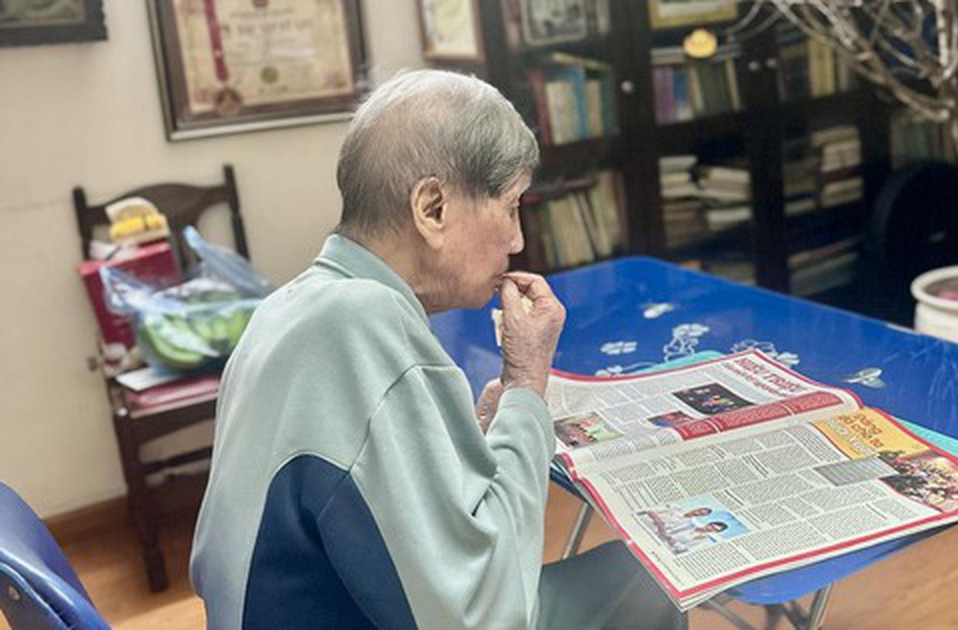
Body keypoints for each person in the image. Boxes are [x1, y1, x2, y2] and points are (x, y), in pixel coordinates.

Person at [190, 69, 685, 630]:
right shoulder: (362, 322)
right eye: (511, 206)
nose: (518, 240)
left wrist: (471, 438)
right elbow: (486, 613)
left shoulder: (288, 308)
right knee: (649, 581)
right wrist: (527, 388)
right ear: (432, 208)